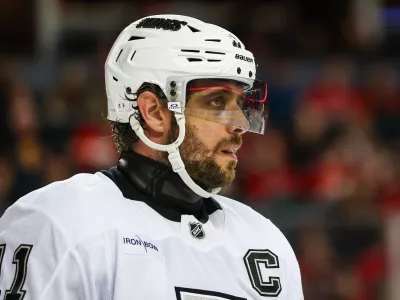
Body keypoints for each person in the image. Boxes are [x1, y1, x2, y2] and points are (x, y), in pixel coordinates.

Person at [0, 15, 303, 300]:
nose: (240, 123)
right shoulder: (59, 222)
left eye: (239, 103)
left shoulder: (265, 243)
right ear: (155, 112)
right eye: (217, 101)